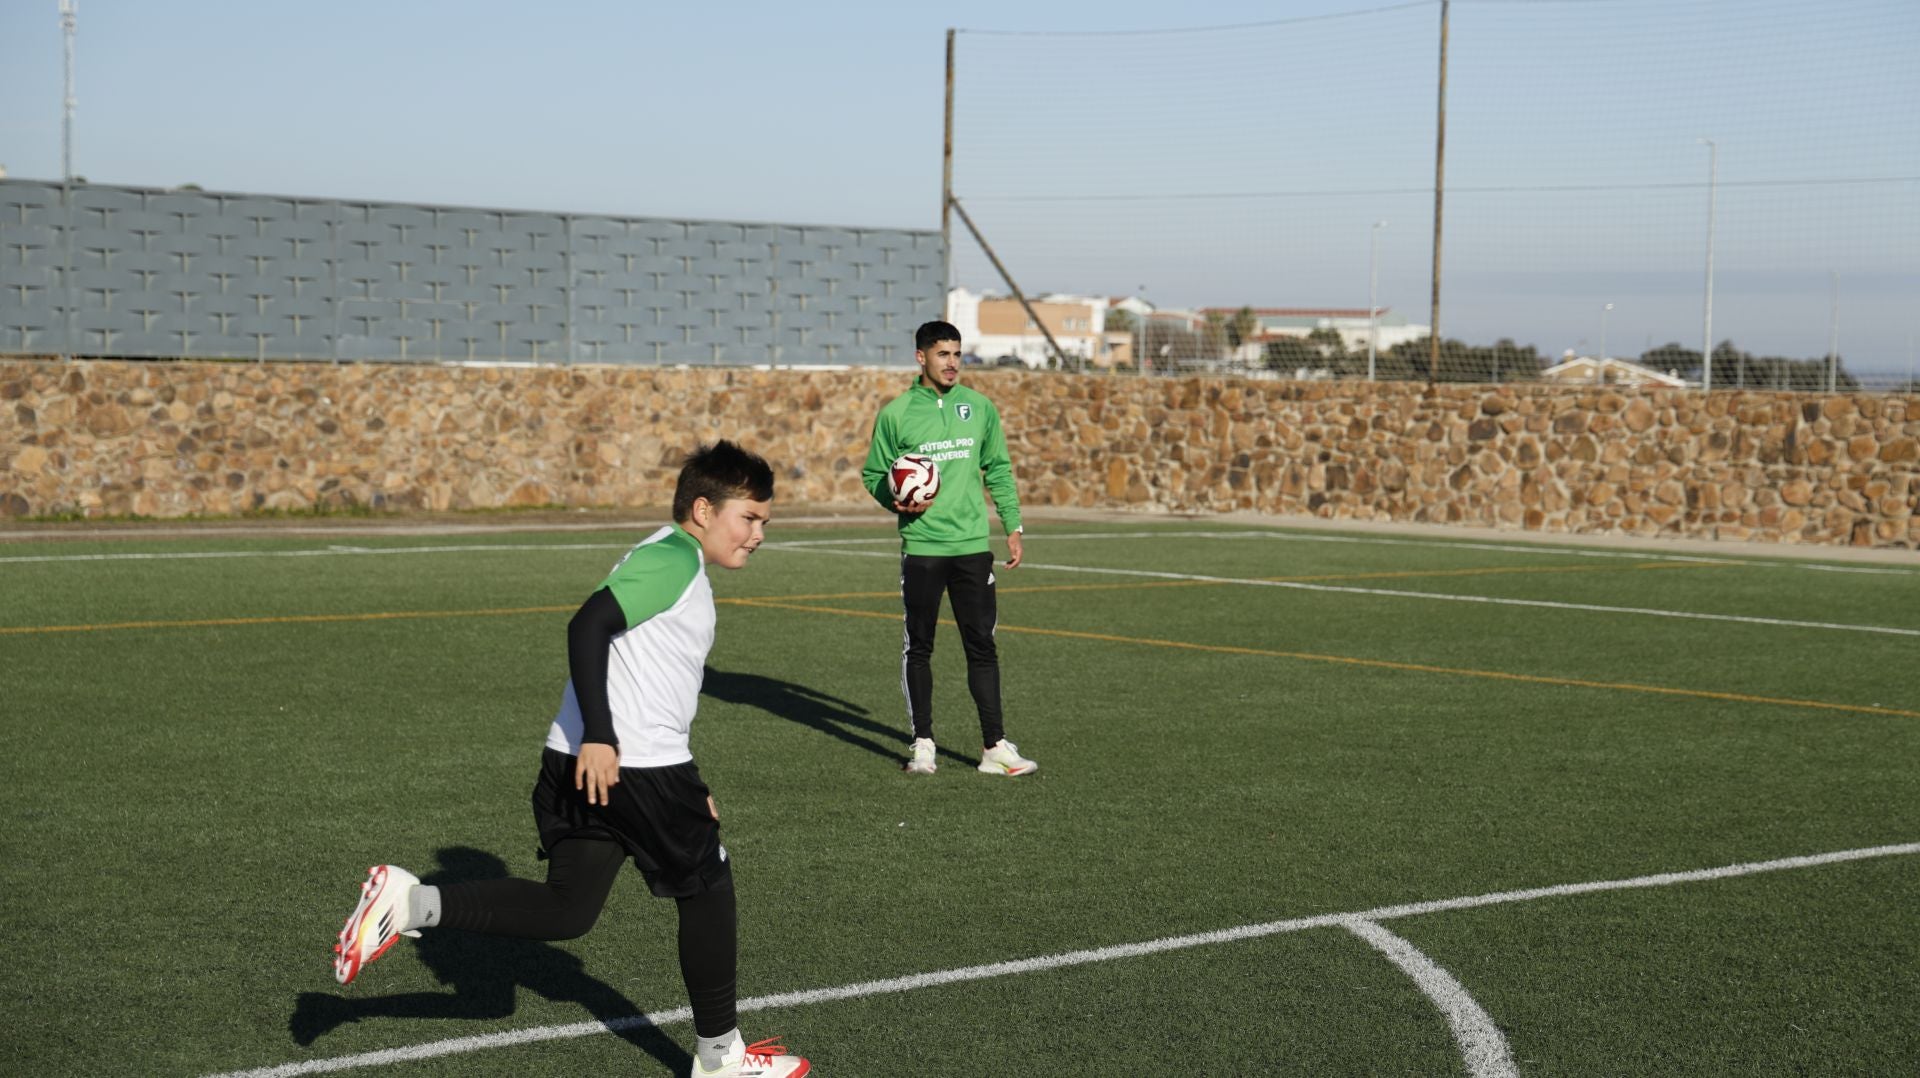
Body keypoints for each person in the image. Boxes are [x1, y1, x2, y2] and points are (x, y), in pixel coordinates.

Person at [331, 440, 807, 1078]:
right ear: (702, 509)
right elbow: (586, 626)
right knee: (708, 889)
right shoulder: (673, 559)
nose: (758, 534)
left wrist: (670, 775)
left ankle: (409, 904)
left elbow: (644, 677)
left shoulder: (666, 556)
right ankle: (721, 1058)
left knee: (568, 908)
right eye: (748, 518)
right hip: (628, 764)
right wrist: (603, 738)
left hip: (589, 764)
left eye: (764, 521)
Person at [862, 320, 1037, 778]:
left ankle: (994, 747)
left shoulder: (979, 408)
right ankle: (923, 744)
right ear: (921, 357)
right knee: (919, 647)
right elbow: (874, 474)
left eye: (957, 354)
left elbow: (998, 468)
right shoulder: (896, 414)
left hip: (972, 547)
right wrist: (894, 500)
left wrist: (1013, 525)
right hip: (923, 547)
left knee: (982, 647)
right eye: (943, 354)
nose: (952, 362)